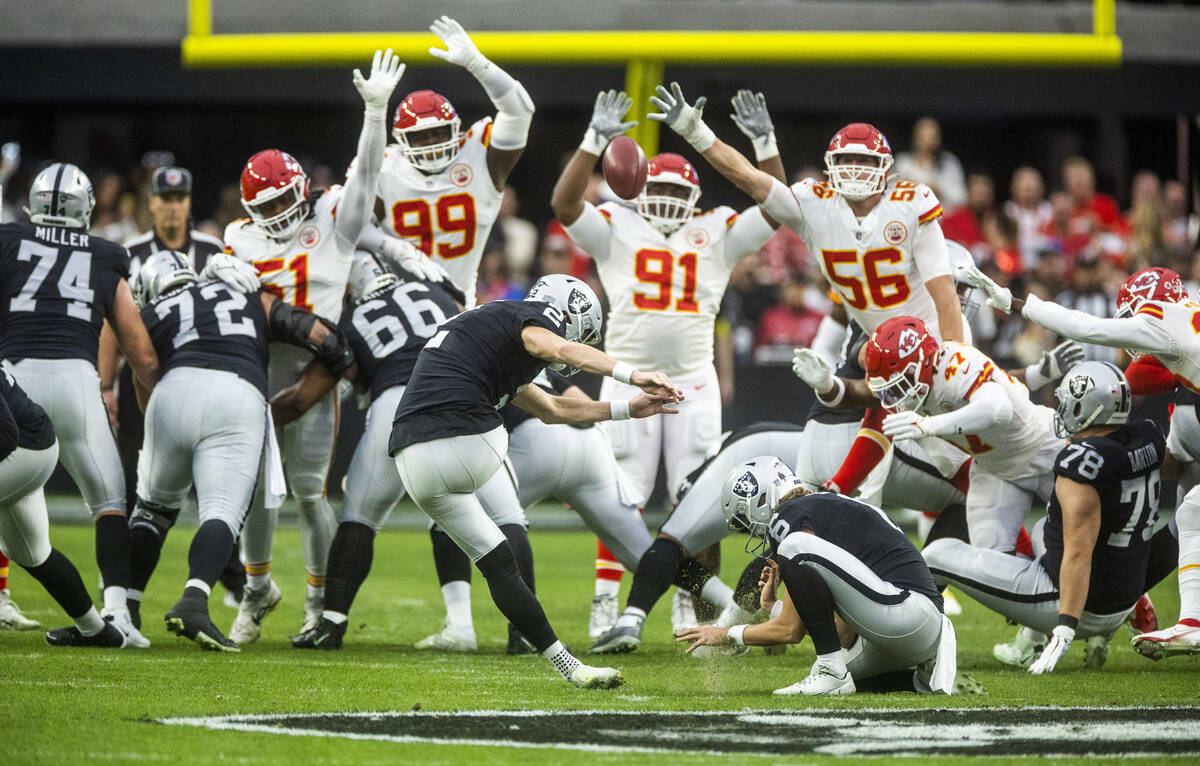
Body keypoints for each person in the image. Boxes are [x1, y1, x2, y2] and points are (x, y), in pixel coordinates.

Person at [551, 88, 778, 635]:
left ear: (696, 198)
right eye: (660, 190)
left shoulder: (717, 231)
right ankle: (607, 600)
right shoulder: (614, 226)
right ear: (638, 190)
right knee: (617, 498)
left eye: (679, 192)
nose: (669, 201)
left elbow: (777, 207)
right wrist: (592, 142)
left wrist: (764, 145)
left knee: (695, 501)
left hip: (692, 385)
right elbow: (563, 206)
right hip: (626, 376)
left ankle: (687, 599)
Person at [389, 273, 682, 688]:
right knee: (504, 455)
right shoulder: (524, 317)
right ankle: (510, 518)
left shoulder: (485, 335)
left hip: (412, 462)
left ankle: (569, 667)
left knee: (499, 565)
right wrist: (633, 375)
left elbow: (553, 410)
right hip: (467, 443)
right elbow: (557, 346)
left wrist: (627, 410)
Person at [223, 49, 407, 641]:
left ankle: (315, 604)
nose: (276, 214)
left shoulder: (331, 216)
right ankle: (255, 591)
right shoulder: (238, 238)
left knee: (308, 496)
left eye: (283, 201)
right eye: (265, 206)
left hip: (317, 374)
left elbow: (367, 175)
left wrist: (374, 113)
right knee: (256, 494)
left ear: (302, 191)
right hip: (259, 374)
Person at [961, 264, 1200, 658]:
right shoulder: (1185, 316)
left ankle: (1191, 623)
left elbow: (1089, 328)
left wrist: (1021, 305)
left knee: (1191, 510)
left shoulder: (1163, 322)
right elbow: (1138, 377)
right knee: (1191, 511)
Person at [129, 251, 352, 651]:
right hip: (239, 395)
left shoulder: (153, 310)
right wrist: (298, 401)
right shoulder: (250, 297)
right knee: (222, 513)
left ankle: (122, 608)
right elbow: (329, 340)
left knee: (153, 509)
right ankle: (194, 600)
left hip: (173, 390)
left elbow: (141, 363)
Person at [0, 162, 160, 647]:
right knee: (109, 502)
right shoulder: (106, 253)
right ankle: (117, 615)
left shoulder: (8, 240)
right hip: (75, 379)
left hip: (14, 377)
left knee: (19, 507)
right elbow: (141, 351)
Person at [923, 362, 1171, 672]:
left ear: (1089, 408)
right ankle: (1029, 643)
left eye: (1069, 401)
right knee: (1043, 526)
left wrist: (1064, 630)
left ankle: (916, 647)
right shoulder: (1147, 436)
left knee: (936, 554)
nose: (1062, 408)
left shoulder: (1081, 461)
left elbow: (1079, 554)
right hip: (1122, 595)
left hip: (1073, 605)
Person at [677, 457, 957, 696]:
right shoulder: (821, 510)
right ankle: (921, 682)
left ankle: (831, 671)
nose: (753, 529)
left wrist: (725, 634)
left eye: (746, 519)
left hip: (906, 610)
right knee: (835, 665)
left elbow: (789, 631)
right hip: (917, 628)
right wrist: (773, 607)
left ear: (761, 499)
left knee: (793, 546)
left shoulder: (791, 516)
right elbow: (840, 632)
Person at [796, 315, 1070, 553]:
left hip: (1042, 449)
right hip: (996, 469)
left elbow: (998, 409)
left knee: (1079, 526)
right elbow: (865, 404)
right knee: (993, 550)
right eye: (888, 390)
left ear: (924, 362)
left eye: (899, 386)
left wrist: (929, 426)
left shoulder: (957, 364)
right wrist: (827, 386)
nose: (895, 397)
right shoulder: (907, 383)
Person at [112, 166, 240, 618]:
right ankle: (126, 594)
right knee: (141, 488)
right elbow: (112, 323)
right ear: (151, 202)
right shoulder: (126, 253)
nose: (172, 205)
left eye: (180, 197)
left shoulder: (213, 249)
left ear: (189, 202)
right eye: (164, 198)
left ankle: (233, 579)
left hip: (196, 374)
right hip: (142, 379)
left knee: (212, 488)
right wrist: (106, 382)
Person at [365, 16, 534, 306]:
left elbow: (520, 111)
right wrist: (393, 248)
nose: (431, 143)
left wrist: (477, 63)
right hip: (398, 308)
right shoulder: (385, 168)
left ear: (455, 130)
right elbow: (349, 231)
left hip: (460, 305)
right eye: (421, 136)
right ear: (400, 139)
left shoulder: (479, 155)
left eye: (438, 132)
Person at [0, 368, 128, 648]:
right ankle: (97, 631)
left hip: (21, 449)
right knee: (32, 553)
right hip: (33, 447)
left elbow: (6, 434)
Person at [892, 117, 966, 209]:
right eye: (923, 135)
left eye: (932, 136)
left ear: (938, 138)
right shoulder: (903, 162)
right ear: (915, 137)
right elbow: (891, 191)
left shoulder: (948, 163)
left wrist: (938, 189)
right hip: (908, 216)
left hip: (941, 217)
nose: (927, 141)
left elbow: (961, 198)